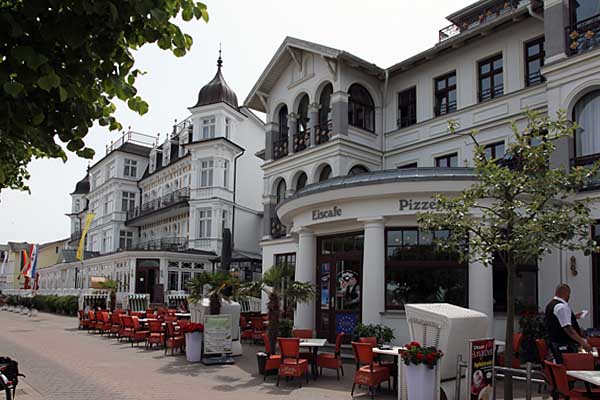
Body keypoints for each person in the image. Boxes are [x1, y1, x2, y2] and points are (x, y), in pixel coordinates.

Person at [544, 284, 591, 363]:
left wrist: (573, 317)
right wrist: (582, 342)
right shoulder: (561, 307)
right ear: (565, 293)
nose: (569, 297)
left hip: (555, 342)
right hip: (564, 344)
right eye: (569, 294)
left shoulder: (551, 304)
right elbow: (568, 329)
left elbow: (557, 320)